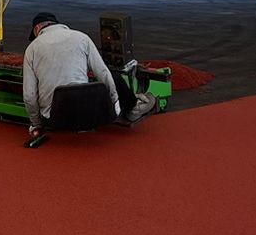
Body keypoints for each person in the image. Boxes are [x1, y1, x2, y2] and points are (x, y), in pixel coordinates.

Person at [22, 11, 157, 144]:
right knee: (113, 75)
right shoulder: (82, 38)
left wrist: (36, 124)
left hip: (54, 119)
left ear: (37, 29)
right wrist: (115, 105)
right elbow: (103, 73)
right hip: (88, 114)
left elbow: (29, 96)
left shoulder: (31, 49)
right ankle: (134, 108)